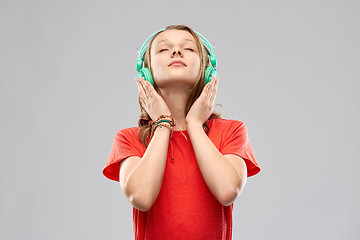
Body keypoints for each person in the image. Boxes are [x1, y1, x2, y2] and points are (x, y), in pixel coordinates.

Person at [102, 24, 261, 240]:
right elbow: (141, 197)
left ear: (207, 69)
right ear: (146, 73)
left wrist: (194, 124)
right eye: (163, 49)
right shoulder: (129, 139)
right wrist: (163, 124)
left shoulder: (232, 131)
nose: (176, 52)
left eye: (188, 48)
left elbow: (227, 192)